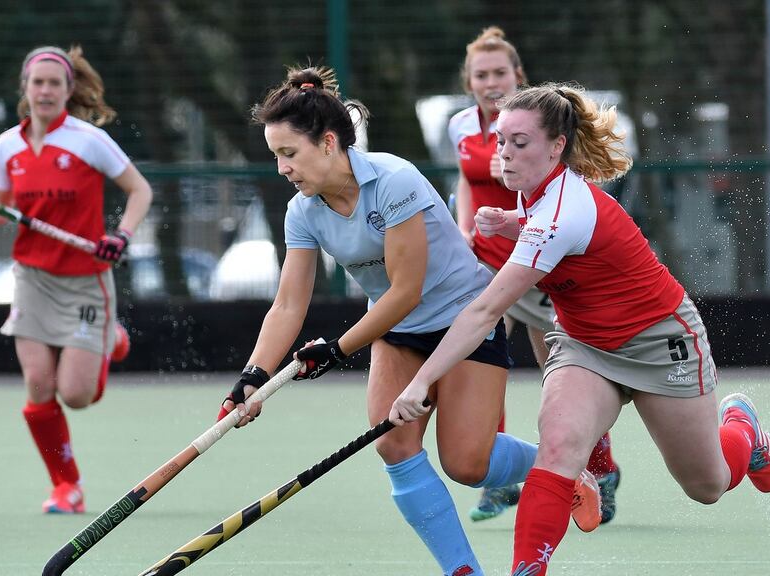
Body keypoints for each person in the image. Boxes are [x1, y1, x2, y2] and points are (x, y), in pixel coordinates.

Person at [219, 66, 599, 576]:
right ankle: (462, 570)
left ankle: (560, 470)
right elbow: (289, 303)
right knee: (393, 445)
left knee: (468, 465)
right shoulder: (302, 211)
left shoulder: (393, 180)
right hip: (398, 332)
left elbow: (405, 290)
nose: (282, 168)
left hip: (463, 319)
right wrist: (254, 377)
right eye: (275, 156)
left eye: (289, 154)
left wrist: (337, 350)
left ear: (328, 143)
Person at [391, 83, 770, 576]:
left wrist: (422, 381)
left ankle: (744, 430)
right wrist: (510, 221)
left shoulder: (561, 212)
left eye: (520, 143)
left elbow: (485, 311)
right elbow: (550, 230)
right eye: (501, 141)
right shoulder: (537, 197)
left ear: (556, 147)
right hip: (583, 345)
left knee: (707, 485)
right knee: (558, 448)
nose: (505, 155)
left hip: (660, 340)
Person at [450, 27, 621, 524]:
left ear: (517, 75)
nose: (490, 81)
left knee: (560, 369)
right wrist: (464, 227)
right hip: (482, 260)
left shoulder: (540, 128)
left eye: (500, 72)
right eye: (480, 74)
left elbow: (566, 195)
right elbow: (467, 179)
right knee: (482, 362)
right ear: (469, 81)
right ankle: (496, 475)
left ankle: (599, 469)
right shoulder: (460, 126)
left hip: (536, 262)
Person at [0, 45, 153, 514]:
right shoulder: (6, 146)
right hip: (31, 278)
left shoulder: (87, 140)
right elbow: (1, 209)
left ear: (69, 90)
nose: (46, 90)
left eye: (56, 83)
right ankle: (66, 487)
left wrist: (123, 234)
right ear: (25, 89)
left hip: (84, 282)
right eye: (39, 82)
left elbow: (140, 190)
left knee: (76, 395)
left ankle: (109, 338)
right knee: (38, 383)